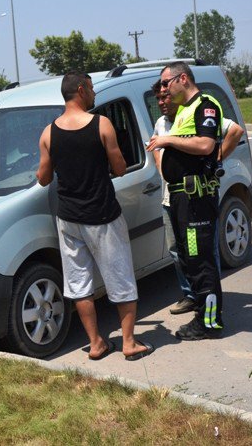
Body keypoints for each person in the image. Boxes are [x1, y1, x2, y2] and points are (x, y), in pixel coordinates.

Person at [37, 72, 154, 361]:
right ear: (80, 89)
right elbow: (120, 167)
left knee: (78, 283)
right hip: (102, 215)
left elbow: (42, 178)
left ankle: (97, 343)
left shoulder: (48, 132)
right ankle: (128, 342)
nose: (94, 94)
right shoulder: (101, 124)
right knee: (121, 277)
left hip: (68, 219)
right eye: (91, 89)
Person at [151, 81, 245, 315]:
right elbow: (155, 146)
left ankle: (208, 310)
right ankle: (193, 296)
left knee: (201, 254)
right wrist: (162, 165)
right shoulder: (162, 123)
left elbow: (233, 131)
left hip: (195, 202)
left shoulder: (195, 112)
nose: (163, 101)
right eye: (159, 99)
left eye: (166, 95)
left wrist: (216, 159)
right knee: (179, 251)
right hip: (171, 200)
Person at [146, 61, 224, 340]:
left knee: (201, 261)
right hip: (181, 198)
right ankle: (203, 315)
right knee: (190, 259)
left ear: (182, 79)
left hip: (195, 200)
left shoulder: (205, 104)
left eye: (167, 83)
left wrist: (168, 142)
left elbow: (206, 145)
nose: (164, 89)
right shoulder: (185, 112)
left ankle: (210, 323)